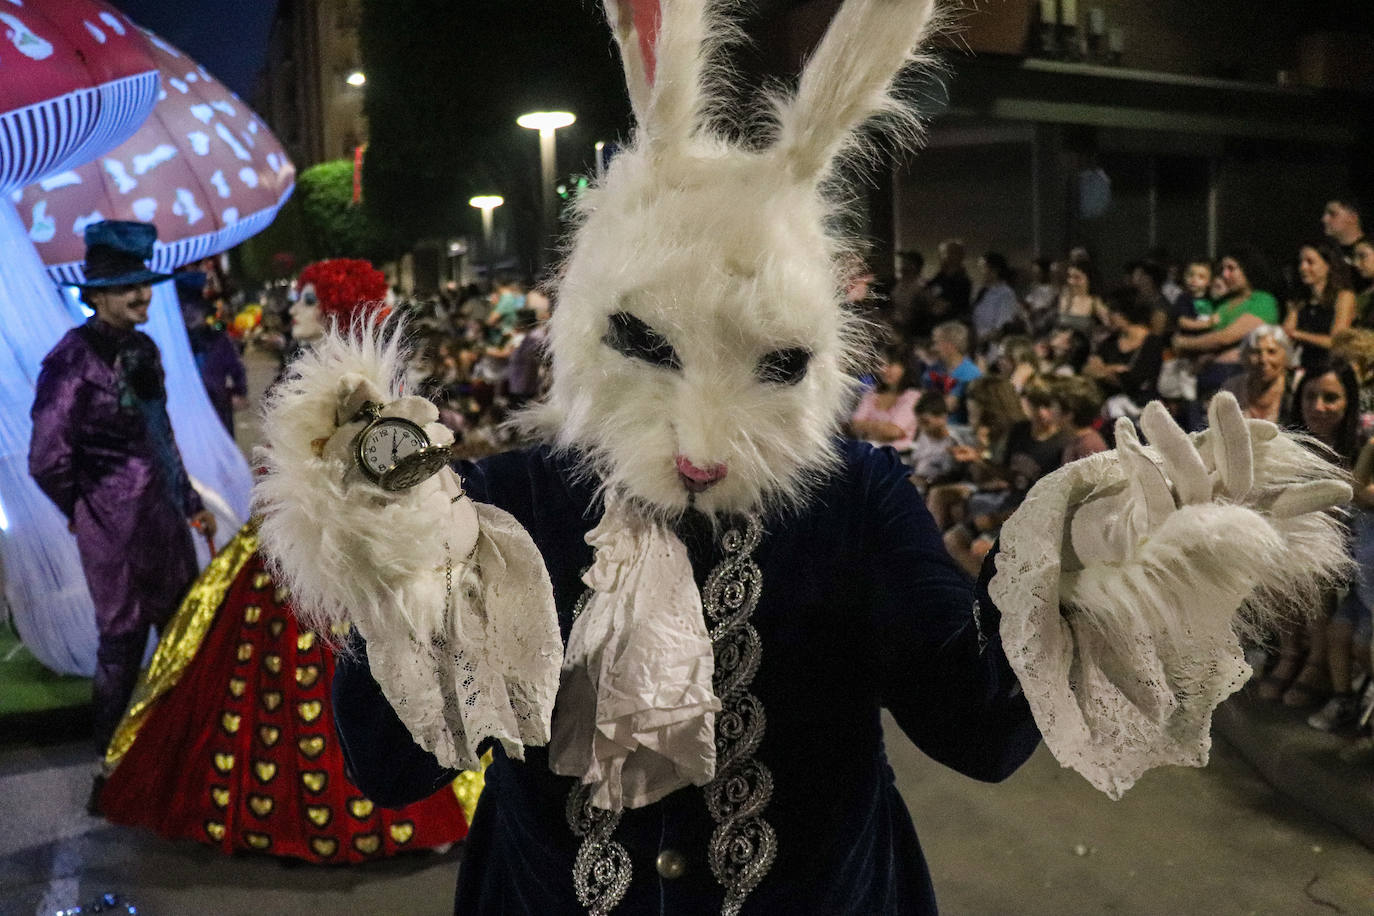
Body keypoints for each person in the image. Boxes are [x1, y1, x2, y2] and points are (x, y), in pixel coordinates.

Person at [253, 3, 1351, 913]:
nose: (699, 442)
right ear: (586, 320)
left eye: (770, 364)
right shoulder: (509, 500)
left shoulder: (856, 502)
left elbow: (976, 728)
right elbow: (394, 768)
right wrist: (390, 567)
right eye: (648, 346)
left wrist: (1102, 587)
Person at [29, 221, 217, 812]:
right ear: (97, 294)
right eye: (128, 286)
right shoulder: (69, 362)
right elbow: (46, 460)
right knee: (121, 645)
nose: (143, 296)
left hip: (163, 522)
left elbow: (160, 433)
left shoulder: (144, 348)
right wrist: (86, 511)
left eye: (145, 284)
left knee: (181, 640)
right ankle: (110, 772)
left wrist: (189, 502)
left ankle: (175, 763)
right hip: (113, 531)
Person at [176, 271, 249, 437]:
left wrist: (239, 391)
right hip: (189, 411)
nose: (191, 316)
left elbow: (235, 367)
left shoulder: (217, 338)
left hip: (217, 405)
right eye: (186, 312)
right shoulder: (176, 342)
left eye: (195, 311)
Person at [1283, 242, 1356, 377]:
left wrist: (1299, 335)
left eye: (1310, 262)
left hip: (1333, 369)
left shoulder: (1344, 297)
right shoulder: (1300, 301)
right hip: (1304, 369)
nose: (1303, 267)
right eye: (1301, 262)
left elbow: (1336, 341)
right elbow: (1285, 336)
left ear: (1328, 265)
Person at [1220, 325, 1297, 425]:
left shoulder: (1296, 388)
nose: (1263, 359)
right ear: (1245, 357)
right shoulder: (1232, 389)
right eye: (1256, 352)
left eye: (1271, 352)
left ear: (1286, 356)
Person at [850, 344, 920, 452]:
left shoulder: (913, 396)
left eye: (890, 364)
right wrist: (882, 429)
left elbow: (894, 431)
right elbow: (854, 426)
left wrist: (866, 427)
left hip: (897, 457)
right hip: (867, 452)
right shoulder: (872, 393)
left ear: (905, 367)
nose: (883, 369)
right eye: (881, 365)